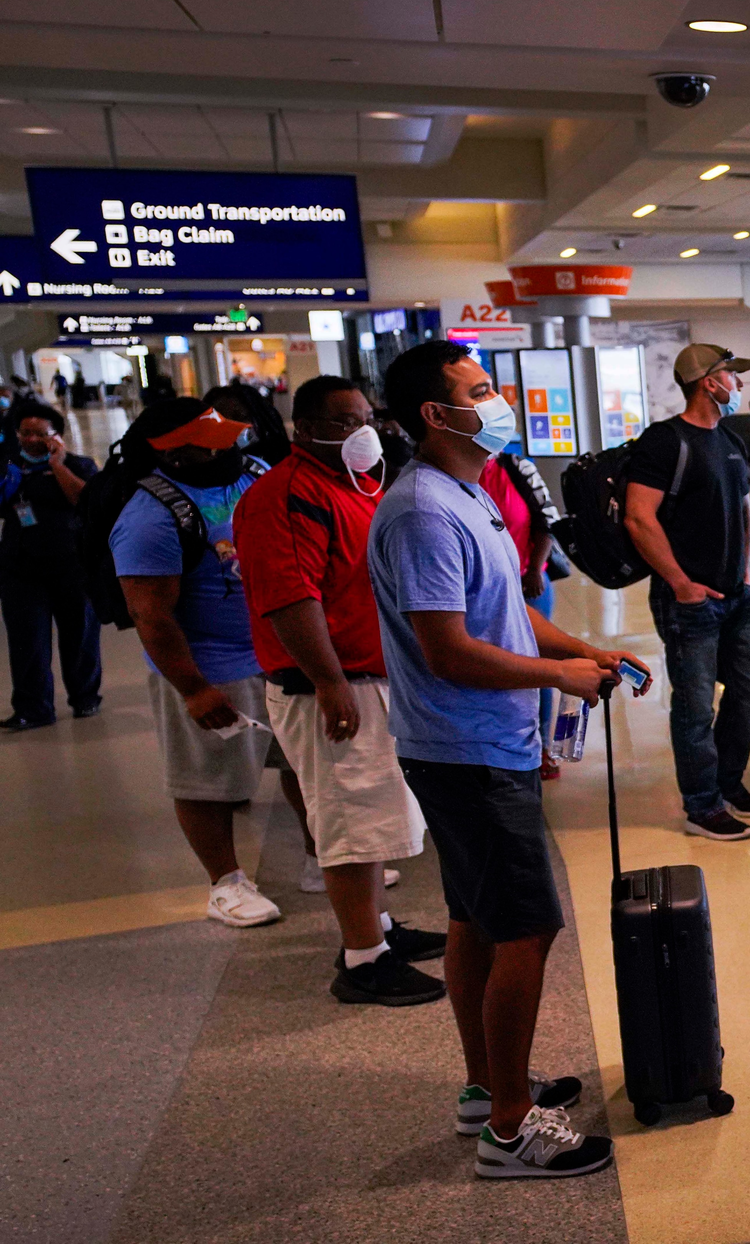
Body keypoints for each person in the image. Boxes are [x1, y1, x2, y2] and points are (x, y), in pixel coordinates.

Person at [371, 339, 644, 1177]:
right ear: (435, 412)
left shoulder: (470, 491)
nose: (499, 402)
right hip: (467, 750)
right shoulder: (424, 510)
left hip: (486, 743)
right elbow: (449, 649)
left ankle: (487, 1085)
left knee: (475, 918)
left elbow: (510, 617)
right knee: (527, 924)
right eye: (480, 389)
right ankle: (510, 1131)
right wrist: (557, 674)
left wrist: (586, 649)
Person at [233, 375, 445, 1006]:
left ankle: (377, 927)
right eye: (344, 422)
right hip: (329, 686)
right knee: (349, 824)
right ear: (305, 430)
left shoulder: (354, 485)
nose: (364, 431)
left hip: (373, 677)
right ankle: (363, 960)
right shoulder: (285, 495)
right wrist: (329, 682)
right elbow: (291, 598)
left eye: (367, 417)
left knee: (376, 818)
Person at [111, 400, 301, 928]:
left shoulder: (254, 474)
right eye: (210, 441)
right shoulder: (149, 515)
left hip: (280, 650)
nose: (228, 448)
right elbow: (150, 614)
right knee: (207, 781)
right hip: (211, 664)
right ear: (177, 450)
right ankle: (225, 884)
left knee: (301, 761)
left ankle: (321, 856)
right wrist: (193, 689)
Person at [623, 344, 750, 840]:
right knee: (695, 705)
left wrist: (745, 572)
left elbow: (743, 511)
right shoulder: (664, 441)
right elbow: (639, 517)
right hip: (688, 602)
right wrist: (682, 584)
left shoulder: (730, 439)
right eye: (733, 374)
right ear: (709, 382)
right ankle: (702, 806)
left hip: (736, 596)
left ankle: (727, 784)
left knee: (749, 691)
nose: (739, 384)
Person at [0, 403, 102, 729]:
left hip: (72, 565)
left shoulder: (79, 465)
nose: (31, 440)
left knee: (79, 635)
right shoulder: (10, 467)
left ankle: (85, 698)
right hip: (21, 569)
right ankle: (34, 708)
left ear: (57, 435)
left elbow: (84, 500)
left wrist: (56, 464)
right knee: (26, 641)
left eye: (40, 434)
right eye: (25, 433)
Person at [478, 450, 564, 778]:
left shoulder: (515, 468)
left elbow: (547, 519)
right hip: (481, 592)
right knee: (489, 665)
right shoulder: (449, 475)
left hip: (528, 584)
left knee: (538, 666)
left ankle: (540, 745)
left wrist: (534, 573)